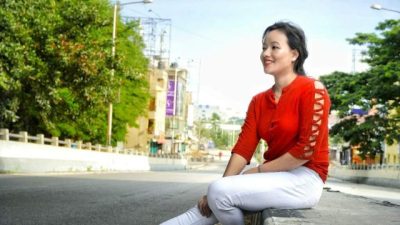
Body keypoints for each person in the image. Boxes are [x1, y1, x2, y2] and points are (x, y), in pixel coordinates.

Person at [160, 21, 331, 225]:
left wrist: (253, 173)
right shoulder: (259, 101)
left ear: (294, 54)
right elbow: (243, 148)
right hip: (274, 176)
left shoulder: (313, 89)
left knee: (219, 192)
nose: (266, 53)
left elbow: (305, 152)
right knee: (207, 204)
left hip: (305, 178)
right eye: (263, 47)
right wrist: (223, 186)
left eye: (274, 47)